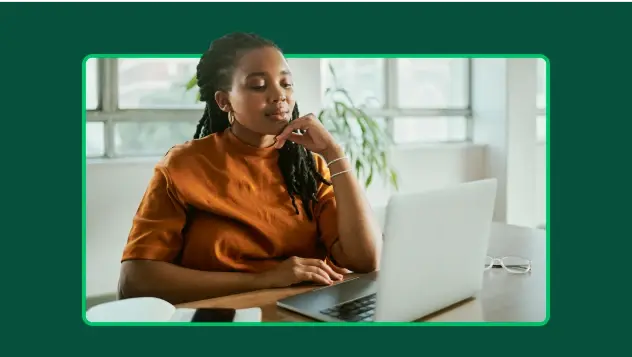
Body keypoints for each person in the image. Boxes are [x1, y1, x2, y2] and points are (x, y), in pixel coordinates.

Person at [117, 32, 383, 305]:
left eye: (286, 83)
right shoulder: (183, 165)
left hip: (302, 314)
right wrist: (265, 279)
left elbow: (365, 260)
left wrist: (334, 154)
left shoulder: (308, 167)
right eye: (258, 85)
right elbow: (135, 280)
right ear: (224, 101)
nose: (280, 95)